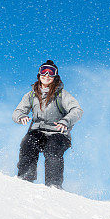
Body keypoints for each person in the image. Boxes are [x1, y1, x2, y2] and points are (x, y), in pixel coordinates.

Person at [12, 60, 83, 188]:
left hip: (58, 133)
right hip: (38, 131)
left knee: (53, 149)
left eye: (51, 73)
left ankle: (53, 184)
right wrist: (21, 116)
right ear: (39, 75)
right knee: (28, 143)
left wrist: (65, 121)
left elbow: (77, 110)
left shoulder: (61, 95)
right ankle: (25, 176)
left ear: (55, 77)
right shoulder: (32, 95)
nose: (46, 75)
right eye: (43, 72)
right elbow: (17, 112)